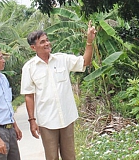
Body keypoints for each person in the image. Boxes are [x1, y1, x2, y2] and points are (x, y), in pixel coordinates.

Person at [20, 20, 96, 160]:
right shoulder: (29, 68)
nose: (47, 43)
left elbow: (85, 62)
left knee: (70, 157)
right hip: (47, 121)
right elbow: (29, 96)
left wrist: (89, 41)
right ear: (33, 47)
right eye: (42, 42)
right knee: (52, 157)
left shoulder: (62, 59)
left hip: (67, 118)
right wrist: (32, 121)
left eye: (47, 40)